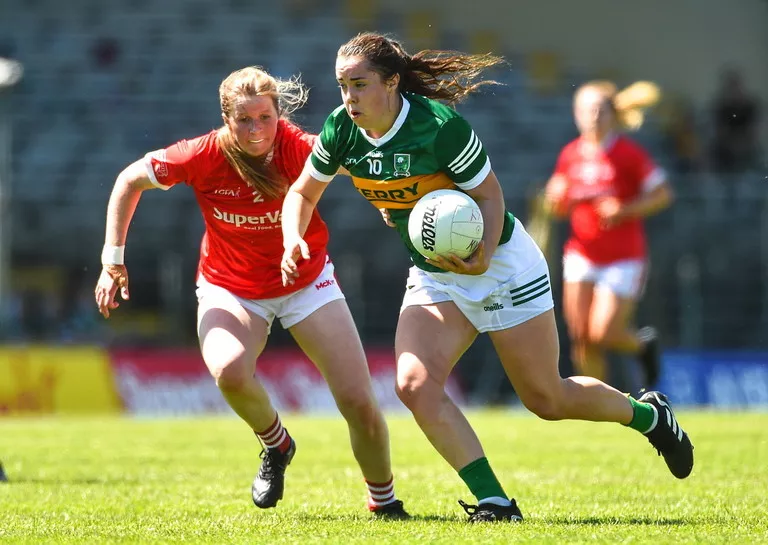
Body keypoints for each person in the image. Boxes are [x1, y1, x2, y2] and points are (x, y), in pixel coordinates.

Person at [280, 32, 694, 523]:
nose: (348, 98)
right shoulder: (340, 130)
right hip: (437, 274)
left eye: (359, 84)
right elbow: (302, 194)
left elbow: (491, 197)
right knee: (414, 385)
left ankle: (650, 416)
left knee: (546, 398)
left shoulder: (439, 126)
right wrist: (291, 239)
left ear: (391, 83)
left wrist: (480, 256)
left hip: (499, 264)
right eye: (342, 86)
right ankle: (495, 502)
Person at [93, 66, 408, 518]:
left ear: (279, 113)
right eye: (244, 120)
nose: (257, 130)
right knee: (229, 371)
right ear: (226, 119)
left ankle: (384, 502)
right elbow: (129, 181)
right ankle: (276, 446)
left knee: (359, 401)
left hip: (306, 282)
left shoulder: (299, 146)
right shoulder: (199, 154)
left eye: (265, 117)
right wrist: (112, 259)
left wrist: (387, 200)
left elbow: (362, 163)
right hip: (230, 287)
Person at [542, 80, 674, 389]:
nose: (593, 116)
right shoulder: (570, 154)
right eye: (587, 110)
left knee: (603, 331)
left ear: (613, 115)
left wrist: (624, 210)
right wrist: (555, 198)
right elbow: (559, 206)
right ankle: (597, 403)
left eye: (600, 110)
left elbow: (663, 194)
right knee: (581, 334)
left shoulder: (629, 153)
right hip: (581, 253)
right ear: (576, 114)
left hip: (623, 256)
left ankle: (643, 347)